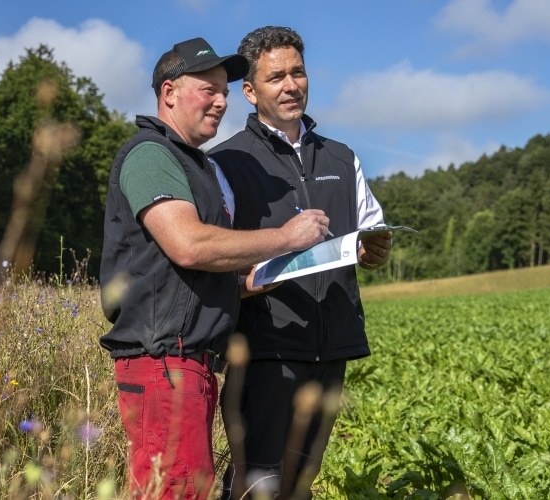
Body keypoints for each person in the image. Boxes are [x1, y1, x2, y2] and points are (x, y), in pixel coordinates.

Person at [99, 37, 332, 500]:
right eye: (208, 89)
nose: (222, 100)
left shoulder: (196, 166)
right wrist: (286, 237)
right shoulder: (151, 154)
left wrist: (255, 279)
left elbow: (193, 273)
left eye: (224, 90)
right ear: (169, 93)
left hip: (190, 365)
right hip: (163, 362)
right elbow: (187, 246)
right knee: (177, 491)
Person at [208, 26, 393, 499]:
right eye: (276, 78)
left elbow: (370, 233)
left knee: (299, 484)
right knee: (259, 482)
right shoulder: (226, 162)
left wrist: (375, 252)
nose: (291, 85)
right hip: (266, 349)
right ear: (249, 91)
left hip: (332, 346)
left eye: (298, 72)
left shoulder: (342, 156)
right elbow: (214, 255)